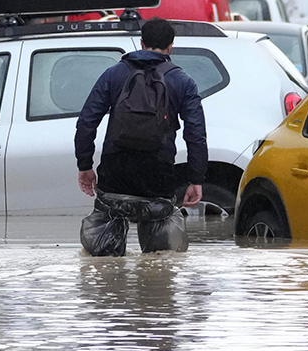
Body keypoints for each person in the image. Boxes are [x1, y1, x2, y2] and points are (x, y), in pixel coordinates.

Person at [74, 17, 208, 256]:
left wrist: (85, 166)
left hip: (115, 176)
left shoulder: (113, 75)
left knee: (105, 267)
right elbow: (195, 134)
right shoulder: (183, 82)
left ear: (141, 42)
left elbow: (87, 122)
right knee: (161, 267)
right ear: (170, 46)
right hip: (158, 178)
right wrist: (196, 178)